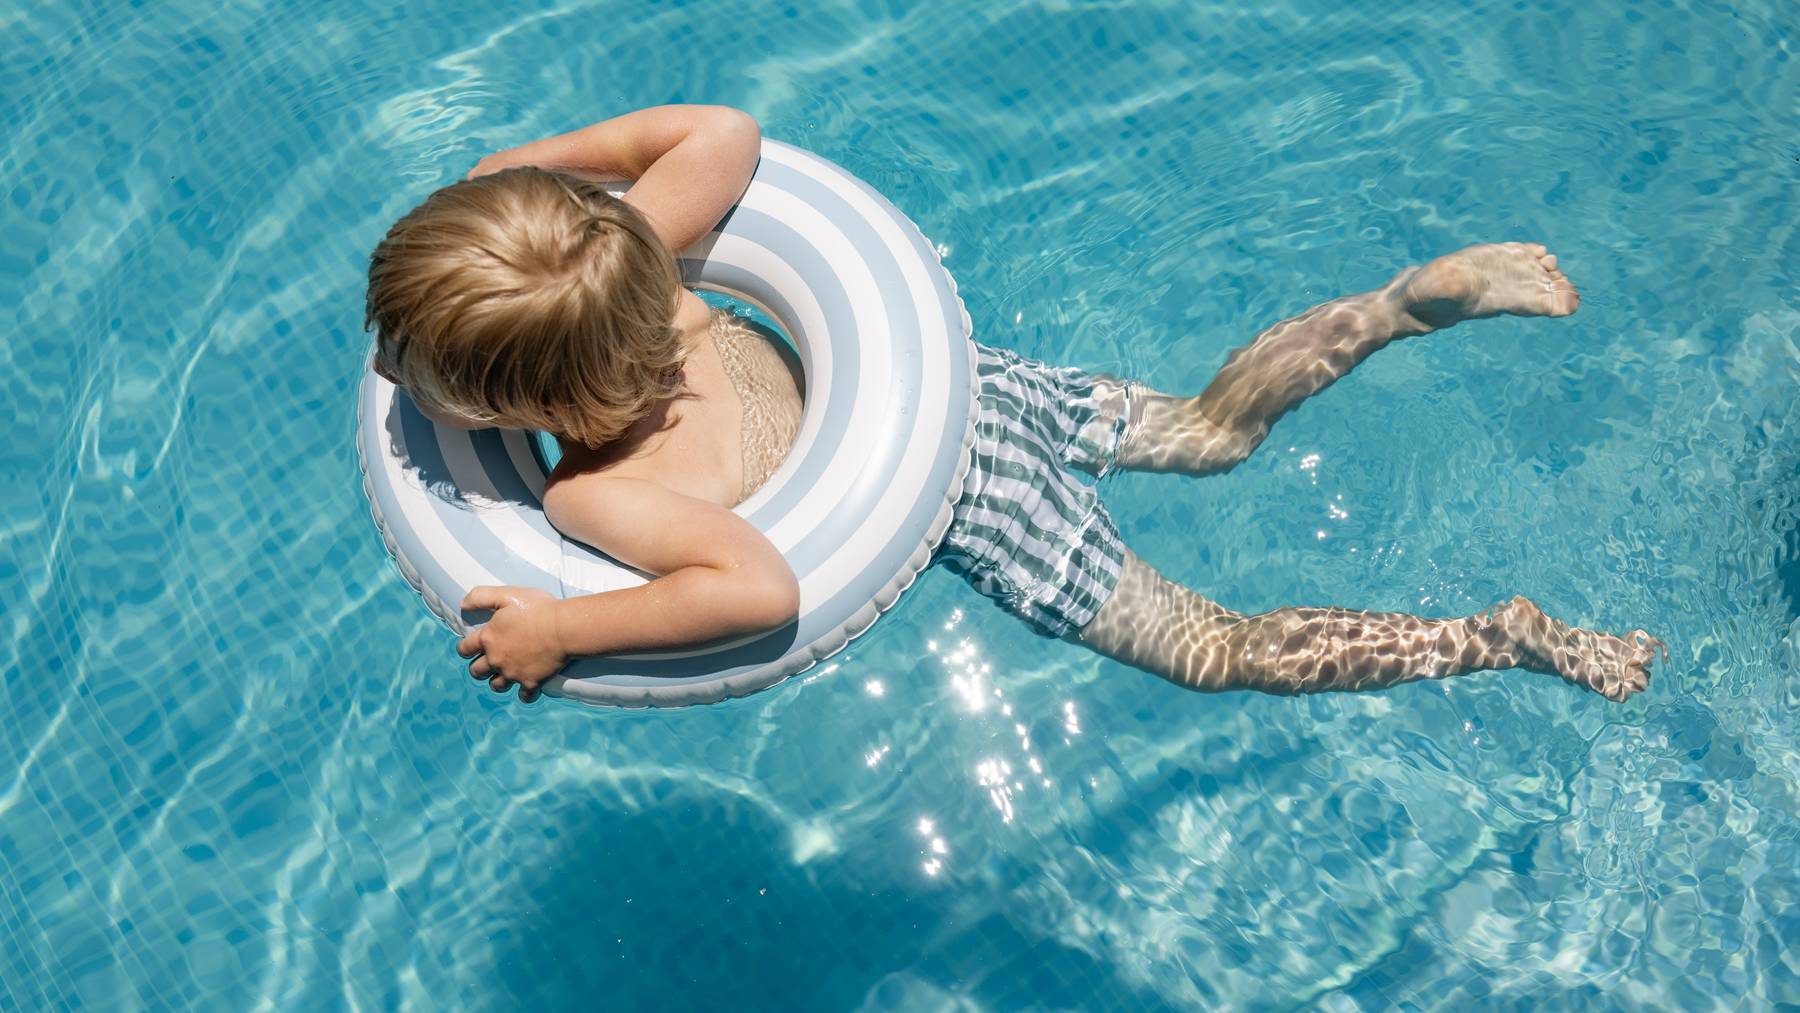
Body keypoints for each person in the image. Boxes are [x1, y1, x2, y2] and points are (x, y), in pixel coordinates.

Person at [364, 104, 1662, 705]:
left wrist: (564, 636)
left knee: (1218, 649)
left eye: (421, 382)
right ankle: (1395, 306)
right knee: (1210, 433)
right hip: (964, 393)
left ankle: (1507, 636)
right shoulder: (655, 260)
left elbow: (753, 588)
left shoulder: (601, 492)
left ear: (515, 406)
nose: (397, 392)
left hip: (963, 506)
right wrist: (538, 168)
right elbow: (727, 133)